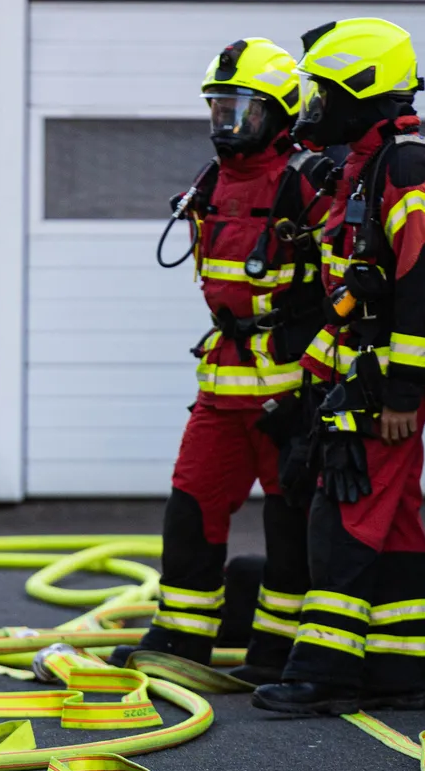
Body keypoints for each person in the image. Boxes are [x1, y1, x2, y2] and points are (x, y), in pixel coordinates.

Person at [110, 38, 331, 682]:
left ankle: (279, 650)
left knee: (289, 527)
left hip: (288, 391)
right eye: (218, 110)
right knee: (189, 508)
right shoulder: (212, 182)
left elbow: (334, 290)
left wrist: (312, 395)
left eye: (241, 112)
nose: (225, 126)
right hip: (221, 385)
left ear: (282, 112)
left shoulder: (307, 183)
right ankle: (180, 641)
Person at [252, 17, 425, 716]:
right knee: (393, 524)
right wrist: (306, 386)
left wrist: (403, 386)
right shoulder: (363, 171)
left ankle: (324, 673)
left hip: (385, 387)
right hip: (362, 380)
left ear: (360, 92)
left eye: (324, 92)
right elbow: (350, 297)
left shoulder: (405, 168)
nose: (314, 107)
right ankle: (400, 673)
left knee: (342, 520)